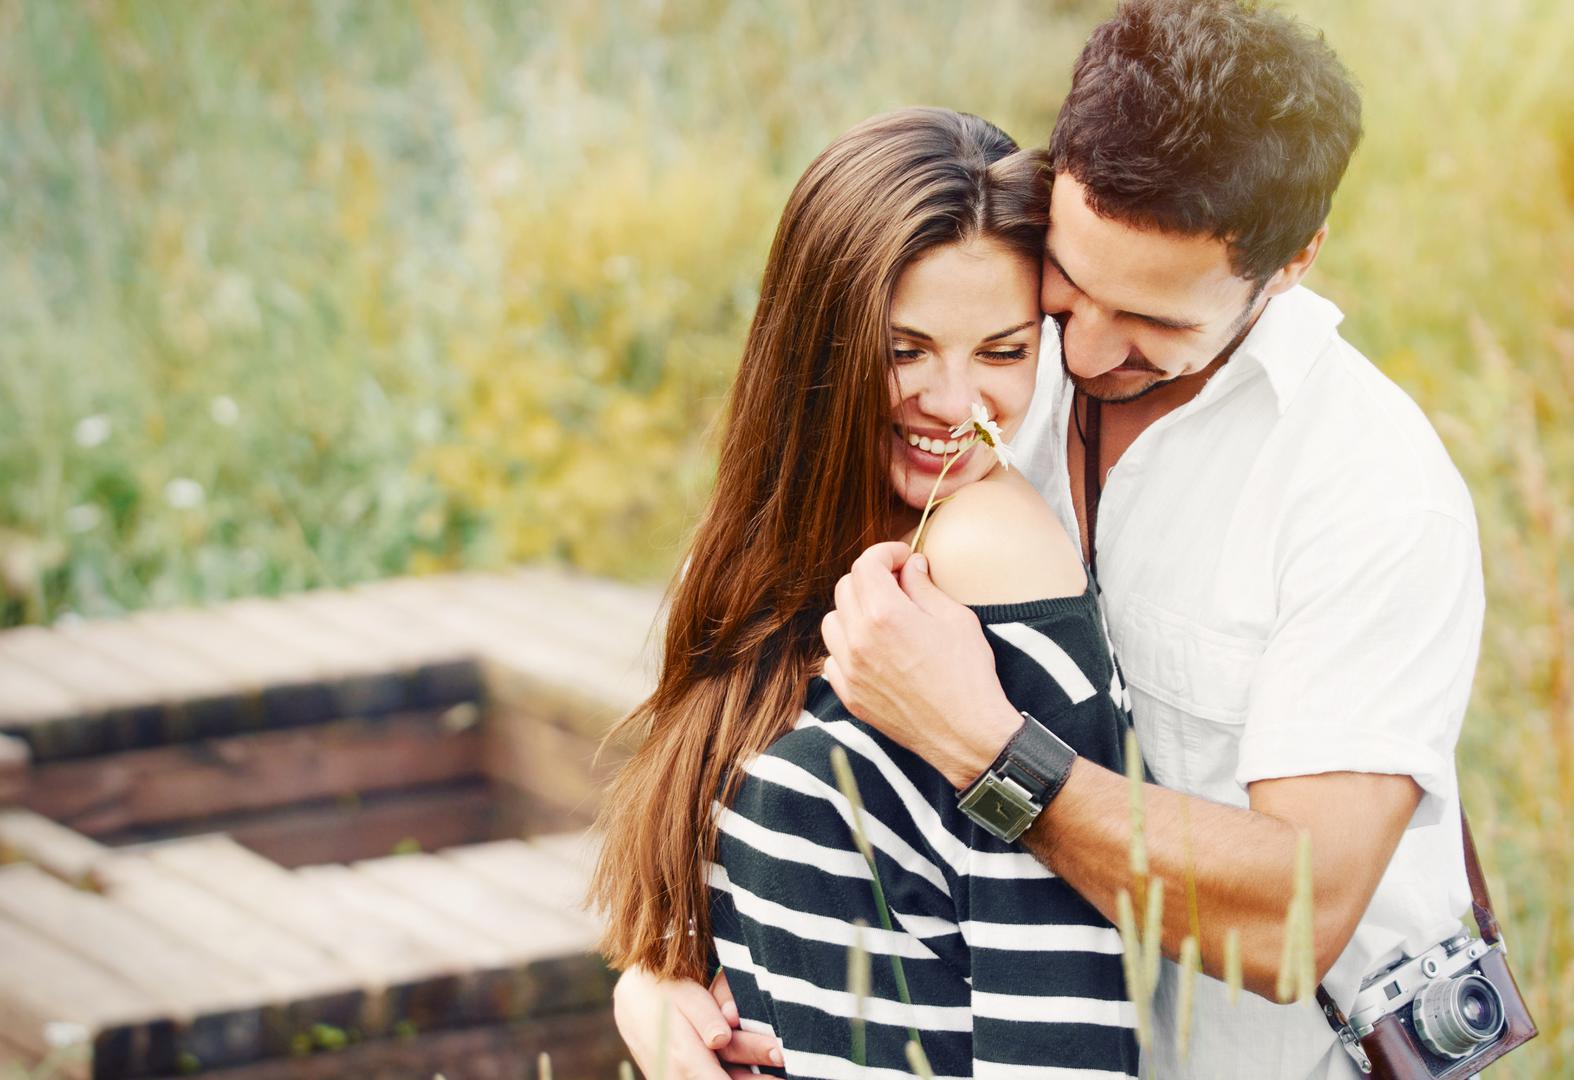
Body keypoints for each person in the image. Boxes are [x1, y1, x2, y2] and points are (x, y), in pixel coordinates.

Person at [616, 3, 1484, 1079]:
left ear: (1294, 260)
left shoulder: (1370, 496)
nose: (1090, 349)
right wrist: (659, 975)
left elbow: (1290, 922)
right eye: (1070, 287)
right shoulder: (989, 356)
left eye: (1158, 323)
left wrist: (983, 746)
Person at [590, 107, 1140, 1079]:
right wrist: (647, 990)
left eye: (1003, 353)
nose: (956, 401)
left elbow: (1063, 1016)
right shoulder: (771, 556)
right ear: (815, 349)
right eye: (905, 349)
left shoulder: (986, 562)